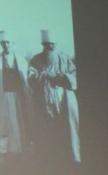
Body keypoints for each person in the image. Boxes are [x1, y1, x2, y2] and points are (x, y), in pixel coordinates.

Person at [28, 29, 81, 165]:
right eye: (47, 45)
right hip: (44, 102)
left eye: (53, 44)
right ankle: (49, 160)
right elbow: (31, 78)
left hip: (64, 101)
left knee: (64, 129)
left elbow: (75, 78)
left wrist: (60, 77)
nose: (50, 47)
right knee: (47, 130)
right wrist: (44, 75)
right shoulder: (36, 59)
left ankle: (68, 159)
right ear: (43, 44)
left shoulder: (64, 59)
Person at [0, 30, 31, 164]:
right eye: (3, 43)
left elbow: (26, 78)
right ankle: (1, 152)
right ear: (1, 44)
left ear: (12, 43)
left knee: (16, 124)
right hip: (1, 97)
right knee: (1, 125)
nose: (6, 45)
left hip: (16, 97)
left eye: (8, 42)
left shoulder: (21, 60)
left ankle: (17, 151)